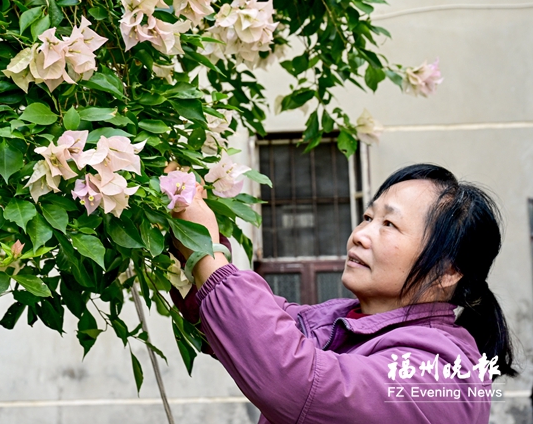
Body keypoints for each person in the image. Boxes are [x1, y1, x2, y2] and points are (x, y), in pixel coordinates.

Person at [169, 163, 517, 424]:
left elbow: (296, 381)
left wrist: (208, 251)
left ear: (448, 270)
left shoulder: (440, 374)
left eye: (389, 224)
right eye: (367, 217)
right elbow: (254, 329)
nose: (361, 235)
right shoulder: (337, 321)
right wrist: (184, 234)